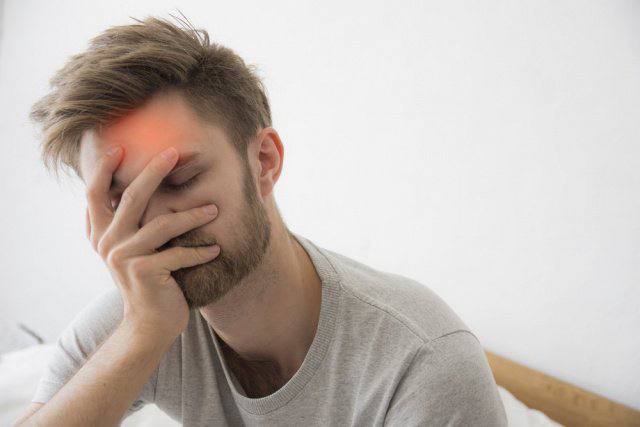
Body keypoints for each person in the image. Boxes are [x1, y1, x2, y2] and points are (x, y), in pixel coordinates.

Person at [16, 14, 507, 426]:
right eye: (123, 201)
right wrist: (143, 332)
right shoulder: (138, 313)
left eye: (180, 179)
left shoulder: (423, 362)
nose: (155, 226)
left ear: (264, 162)